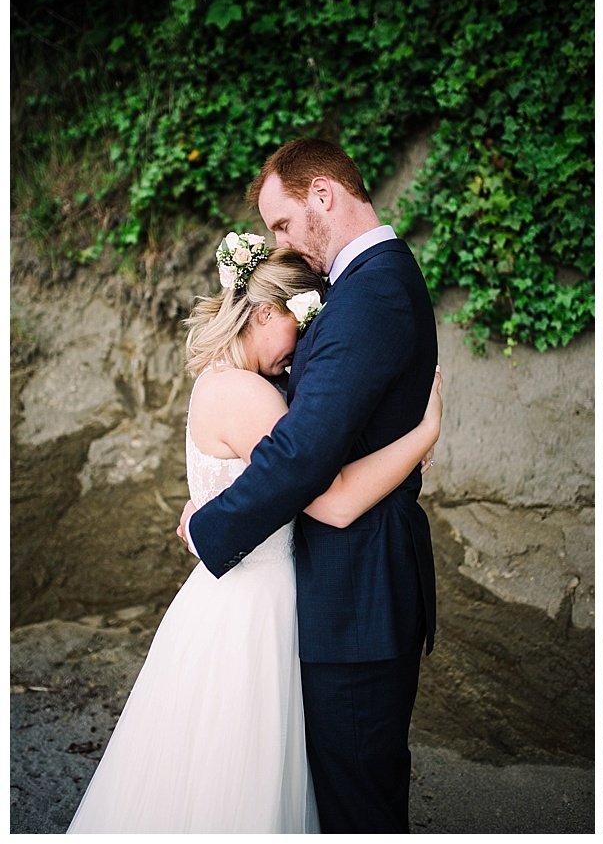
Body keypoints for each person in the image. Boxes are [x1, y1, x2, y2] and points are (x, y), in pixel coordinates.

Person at [68, 245, 444, 833]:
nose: (300, 353)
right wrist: (424, 432)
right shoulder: (250, 395)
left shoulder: (220, 383)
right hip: (253, 610)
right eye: (302, 325)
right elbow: (337, 497)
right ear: (266, 312)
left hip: (240, 596)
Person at [179, 139, 439, 833]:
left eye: (282, 223)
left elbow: (302, 452)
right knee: (343, 789)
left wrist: (210, 521)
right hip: (346, 591)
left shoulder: (372, 293)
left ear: (323, 195)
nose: (279, 243)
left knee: (358, 804)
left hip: (357, 594)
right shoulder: (357, 289)